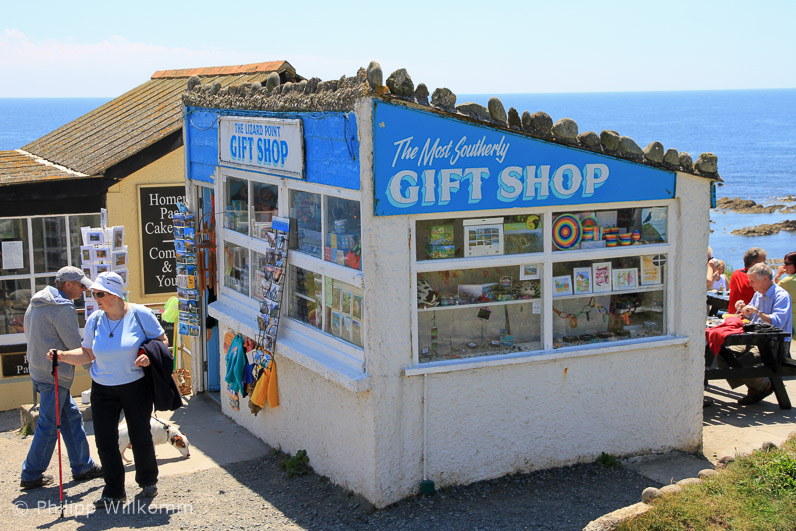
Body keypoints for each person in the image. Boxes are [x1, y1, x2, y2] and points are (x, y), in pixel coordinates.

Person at [49, 271, 167, 509]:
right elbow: (87, 354)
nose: (96, 299)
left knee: (139, 435)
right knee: (104, 440)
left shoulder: (140, 314)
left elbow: (162, 342)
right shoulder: (95, 319)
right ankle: (113, 490)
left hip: (135, 385)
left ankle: (147, 481)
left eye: (100, 294)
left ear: (115, 293)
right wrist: (62, 355)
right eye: (93, 294)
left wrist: (146, 356)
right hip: (103, 387)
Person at [20, 267, 103, 489]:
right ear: (67, 285)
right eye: (80, 285)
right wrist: (93, 368)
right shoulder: (63, 307)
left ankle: (82, 466)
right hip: (53, 374)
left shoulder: (36, 301)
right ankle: (31, 474)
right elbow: (74, 344)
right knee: (48, 425)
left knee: (71, 417)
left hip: (39, 370)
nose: (84, 289)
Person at [725, 263, 793, 404]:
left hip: (775, 343)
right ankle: (758, 386)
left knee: (743, 361)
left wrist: (757, 312)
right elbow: (751, 317)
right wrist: (744, 309)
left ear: (766, 279)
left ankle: (760, 387)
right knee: (724, 354)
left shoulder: (781, 295)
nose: (749, 284)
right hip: (755, 339)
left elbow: (778, 322)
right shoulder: (758, 294)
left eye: (752, 281)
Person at [728, 247, 767, 313]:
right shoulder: (755, 279)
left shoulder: (735, 274)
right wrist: (778, 276)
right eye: (763, 262)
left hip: (733, 315)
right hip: (748, 318)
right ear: (754, 264)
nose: (766, 264)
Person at [774, 251, 796, 337]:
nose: (784, 266)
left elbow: (771, 291)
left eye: (787, 263)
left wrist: (778, 275)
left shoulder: (787, 281)